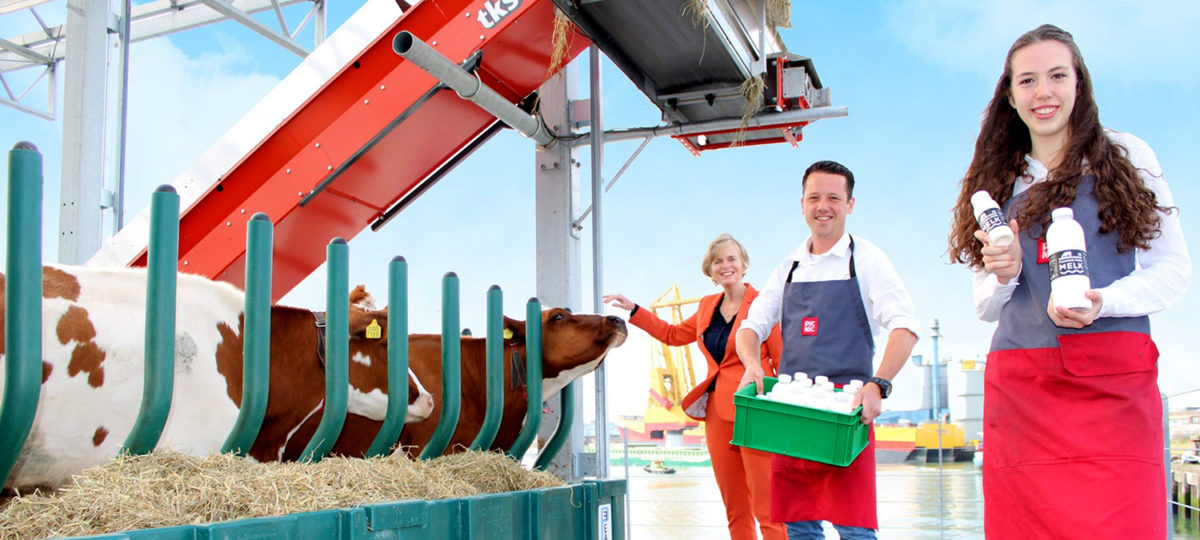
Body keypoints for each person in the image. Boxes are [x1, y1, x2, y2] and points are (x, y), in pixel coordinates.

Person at [947, 24, 1191, 539]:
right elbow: (986, 306)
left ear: (1078, 83)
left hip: (1114, 391)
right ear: (1010, 96)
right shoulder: (994, 184)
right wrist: (1004, 275)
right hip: (1025, 394)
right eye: (1028, 81)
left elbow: (1172, 273)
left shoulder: (1127, 157)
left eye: (1057, 75)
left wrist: (1103, 301)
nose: (1044, 92)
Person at [735, 160, 920, 540]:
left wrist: (878, 384)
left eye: (834, 198)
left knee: (855, 528)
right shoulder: (789, 267)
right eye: (815, 197)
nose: (824, 206)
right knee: (799, 527)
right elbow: (751, 326)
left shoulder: (867, 259)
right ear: (801, 204)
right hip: (793, 412)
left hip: (847, 414)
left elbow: (905, 328)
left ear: (850, 204)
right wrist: (752, 363)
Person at [603, 233, 787, 540]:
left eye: (731, 259)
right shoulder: (706, 307)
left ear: (743, 265)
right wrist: (634, 309)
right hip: (717, 414)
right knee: (735, 508)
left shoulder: (763, 305)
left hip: (757, 414)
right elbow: (673, 334)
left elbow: (784, 363)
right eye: (718, 261)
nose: (725, 265)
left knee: (767, 510)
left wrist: (784, 418)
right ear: (710, 270)